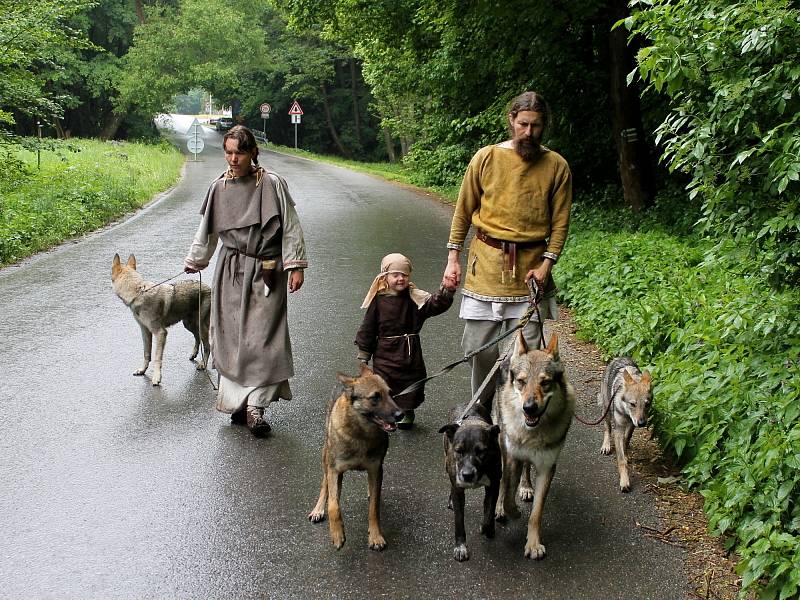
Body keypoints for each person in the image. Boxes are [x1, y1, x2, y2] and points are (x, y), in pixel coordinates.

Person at [442, 91, 572, 404]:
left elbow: (560, 223)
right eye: (523, 124)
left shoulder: (556, 166)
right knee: (479, 350)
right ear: (511, 121)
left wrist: (546, 266)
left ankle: (517, 422)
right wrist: (452, 258)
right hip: (485, 267)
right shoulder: (486, 157)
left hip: (530, 275)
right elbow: (463, 210)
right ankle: (480, 411)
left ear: (544, 126)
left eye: (536, 126)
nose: (529, 132)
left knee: (525, 358)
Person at [184, 125, 308, 437]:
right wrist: (196, 260)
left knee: (263, 339)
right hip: (231, 268)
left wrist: (295, 266)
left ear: (253, 152)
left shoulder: (271, 184)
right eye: (228, 152)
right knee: (231, 338)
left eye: (239, 152)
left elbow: (291, 226)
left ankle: (256, 407)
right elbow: (207, 232)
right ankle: (237, 402)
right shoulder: (219, 188)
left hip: (267, 268)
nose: (233, 158)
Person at [356, 253, 456, 429]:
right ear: (384, 276)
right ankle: (386, 413)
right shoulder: (378, 301)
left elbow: (435, 304)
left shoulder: (415, 298)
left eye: (404, 275)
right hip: (384, 353)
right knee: (385, 383)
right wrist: (364, 355)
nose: (400, 278)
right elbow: (368, 328)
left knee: (411, 381)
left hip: (410, 353)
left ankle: (407, 412)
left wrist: (446, 290)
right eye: (395, 275)